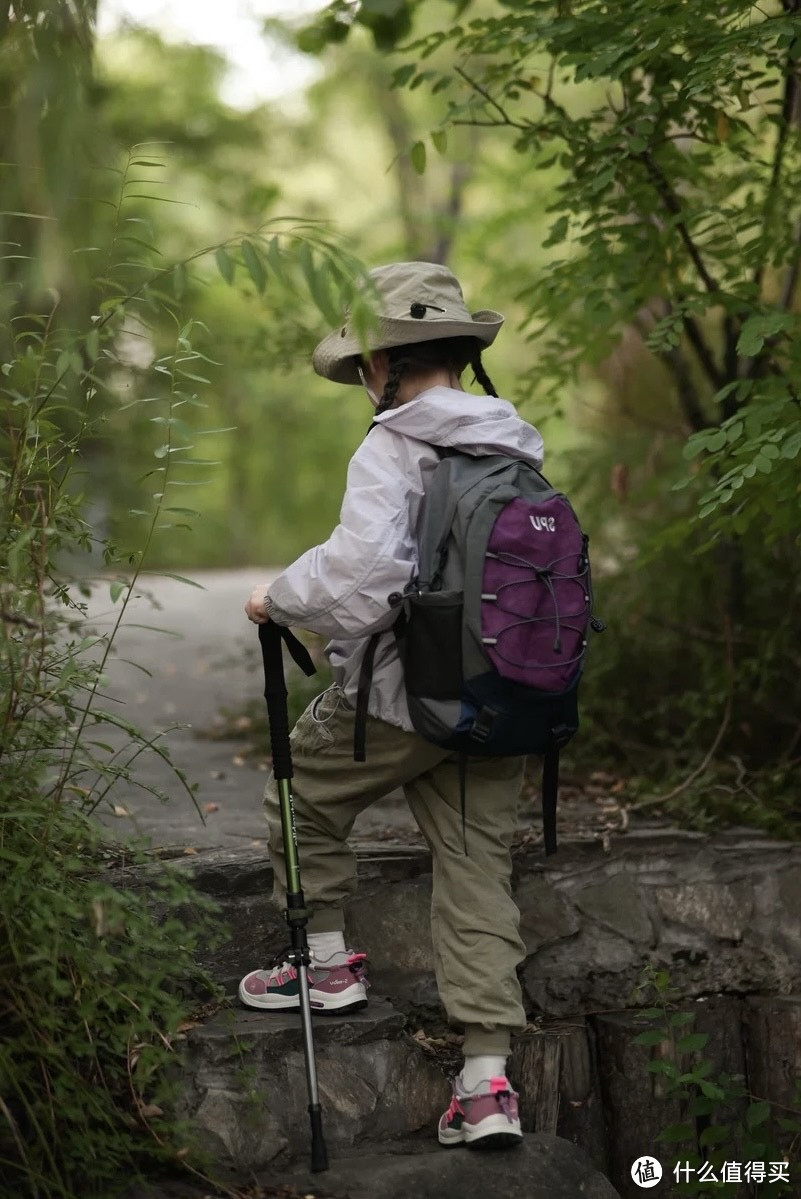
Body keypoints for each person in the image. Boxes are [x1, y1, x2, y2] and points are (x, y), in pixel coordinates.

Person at [239, 261, 544, 1149]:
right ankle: (486, 1081)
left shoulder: (392, 442)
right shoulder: (513, 439)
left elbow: (363, 581)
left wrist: (278, 596)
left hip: (406, 694)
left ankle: (325, 963)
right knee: (475, 866)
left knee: (301, 795)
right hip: (501, 691)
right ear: (456, 351)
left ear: (383, 363)